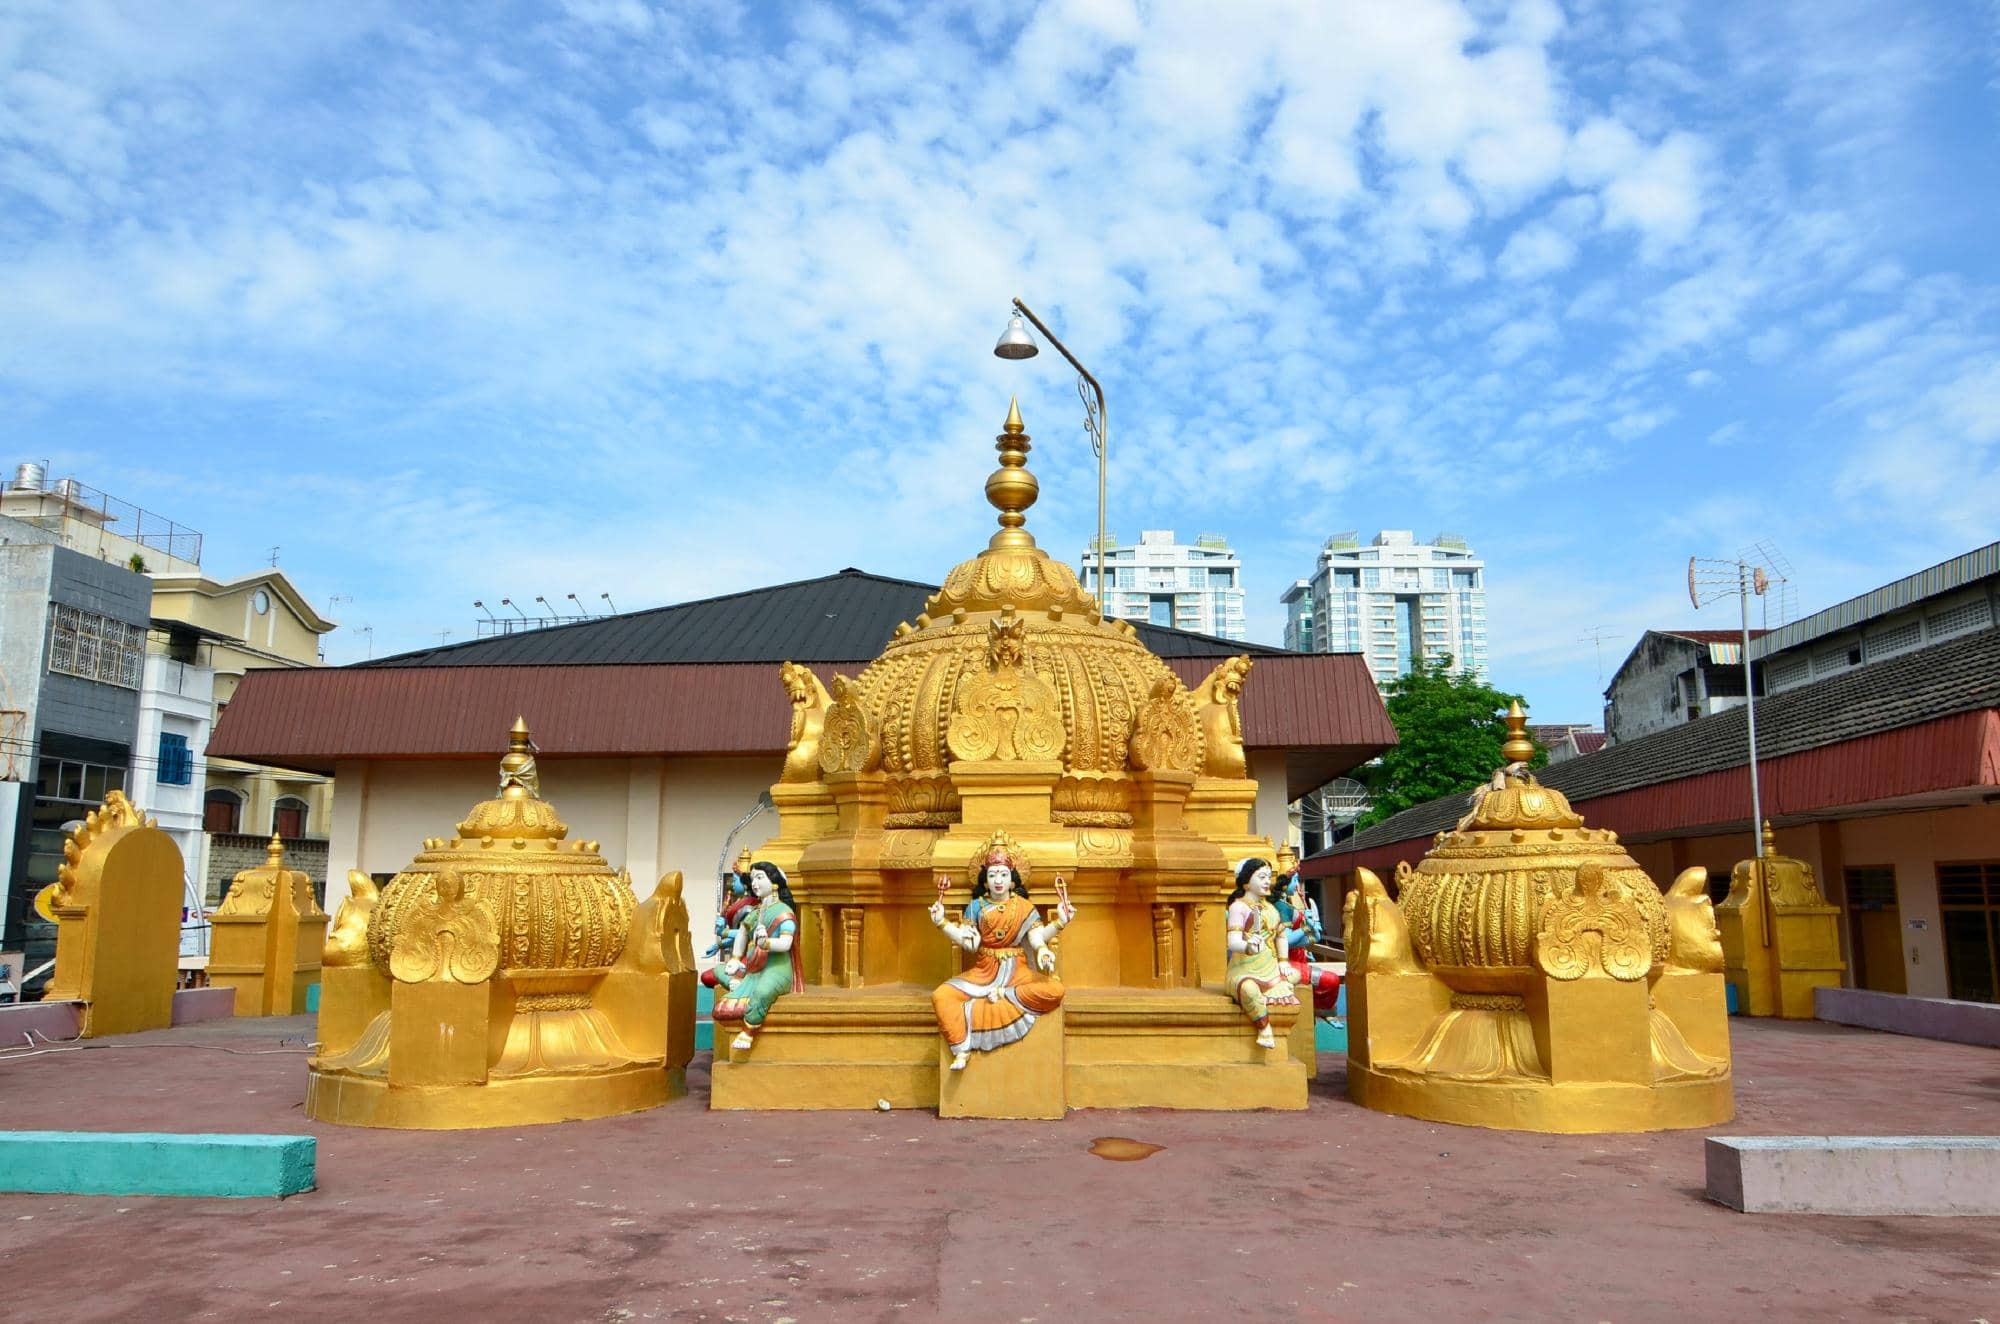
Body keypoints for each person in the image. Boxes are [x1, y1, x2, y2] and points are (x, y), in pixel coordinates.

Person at [928, 837, 1074, 1071]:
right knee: (941, 996)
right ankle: (961, 1048)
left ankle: (1005, 993)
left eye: (1003, 875)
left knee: (1055, 990)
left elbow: (1036, 938)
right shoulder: (976, 907)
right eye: (993, 875)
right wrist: (942, 923)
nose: (998, 881)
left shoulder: (1024, 907)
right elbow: (971, 943)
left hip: (1017, 972)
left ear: (1012, 880)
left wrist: (1058, 926)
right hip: (983, 971)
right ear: (985, 881)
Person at [711, 862, 803, 1052]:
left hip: (776, 968)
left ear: (774, 882)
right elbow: (743, 933)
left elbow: (786, 943)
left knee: (761, 993)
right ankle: (741, 982)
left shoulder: (783, 911)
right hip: (753, 967)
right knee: (719, 970)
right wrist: (736, 959)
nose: (754, 883)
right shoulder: (756, 911)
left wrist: (766, 943)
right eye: (753, 879)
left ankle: (748, 1030)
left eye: (760, 878)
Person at [1226, 857, 1302, 1048]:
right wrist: (1247, 946)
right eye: (1261, 877)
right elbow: (1232, 941)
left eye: (1269, 877)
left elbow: (1281, 936)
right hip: (1244, 969)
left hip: (1270, 968)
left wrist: (1283, 961)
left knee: (1296, 974)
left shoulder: (1271, 908)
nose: (1267, 881)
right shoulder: (1239, 907)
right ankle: (1264, 1027)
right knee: (1249, 990)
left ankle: (1274, 990)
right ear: (1246, 882)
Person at [1276, 869, 1341, 1014]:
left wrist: (1311, 938)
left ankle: (1319, 1011)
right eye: (1295, 881)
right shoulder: (1281, 907)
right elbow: (1286, 941)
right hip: (1284, 962)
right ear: (1284, 885)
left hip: (1294, 957)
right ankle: (1321, 1009)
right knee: (1331, 980)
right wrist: (1306, 929)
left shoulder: (1283, 904)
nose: (1298, 885)